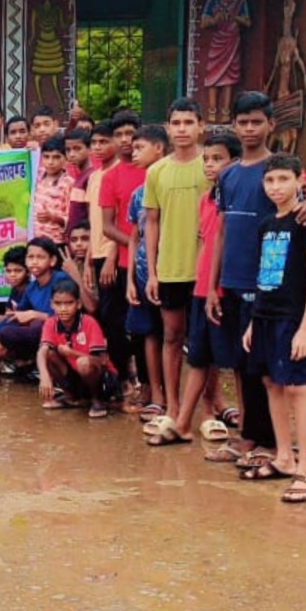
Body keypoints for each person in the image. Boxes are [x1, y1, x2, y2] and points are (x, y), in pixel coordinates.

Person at [205, 91, 306, 468]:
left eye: (257, 121)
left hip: (272, 289)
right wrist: (212, 285)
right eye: (243, 122)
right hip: (234, 280)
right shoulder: (228, 175)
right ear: (233, 126)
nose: (250, 129)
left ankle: (274, 444)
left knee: (274, 372)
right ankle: (250, 435)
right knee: (244, 365)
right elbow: (220, 231)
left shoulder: (279, 170)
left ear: (271, 124)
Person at [148, 127, 242, 447]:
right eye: (208, 159)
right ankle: (182, 421)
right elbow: (207, 244)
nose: (210, 165)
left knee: (235, 360)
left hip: (228, 288)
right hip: (203, 286)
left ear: (235, 162)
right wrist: (206, 284)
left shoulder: (240, 199)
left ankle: (235, 424)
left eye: (218, 159)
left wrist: (216, 286)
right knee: (199, 355)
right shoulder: (206, 200)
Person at [241, 153, 306, 503]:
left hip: (291, 318)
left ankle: (305, 468)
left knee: (295, 386)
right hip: (264, 315)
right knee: (271, 383)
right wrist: (253, 321)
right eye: (270, 180)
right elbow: (263, 274)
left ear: (299, 179)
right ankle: (283, 456)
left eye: (283, 179)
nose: (276, 187)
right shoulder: (266, 224)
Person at [142, 98, 208, 434]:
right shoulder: (156, 171)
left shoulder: (212, 166)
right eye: (176, 123)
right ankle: (172, 405)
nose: (182, 129)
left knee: (205, 341)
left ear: (201, 126)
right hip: (170, 267)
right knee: (171, 336)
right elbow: (151, 222)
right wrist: (152, 272)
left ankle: (209, 410)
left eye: (188, 122)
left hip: (207, 269)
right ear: (168, 128)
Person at [97, 120, 147, 404]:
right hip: (125, 260)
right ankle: (126, 373)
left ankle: (150, 385)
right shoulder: (110, 177)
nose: (125, 139)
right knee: (112, 320)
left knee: (147, 328)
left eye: (131, 133)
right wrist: (136, 246)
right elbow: (108, 226)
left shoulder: (155, 171)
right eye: (119, 134)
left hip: (158, 263)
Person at [123, 127, 166, 419]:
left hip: (172, 271)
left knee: (173, 336)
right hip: (141, 274)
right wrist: (130, 279)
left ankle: (174, 394)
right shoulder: (138, 195)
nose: (133, 152)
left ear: (159, 148)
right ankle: (156, 393)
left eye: (140, 147)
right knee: (148, 333)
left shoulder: (173, 188)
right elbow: (134, 237)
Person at [39, 278, 113, 418]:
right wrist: (44, 376)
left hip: (101, 380)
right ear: (51, 305)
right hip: (76, 376)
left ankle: (97, 400)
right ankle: (71, 397)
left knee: (83, 363)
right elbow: (42, 351)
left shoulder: (89, 322)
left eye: (69, 303)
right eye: (58, 304)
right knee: (48, 354)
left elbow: (101, 361)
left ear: (78, 304)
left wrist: (72, 353)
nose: (63, 308)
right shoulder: (51, 323)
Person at [0, 236, 68, 368]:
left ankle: (36, 364)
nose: (34, 262)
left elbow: (67, 317)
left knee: (36, 325)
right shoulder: (31, 288)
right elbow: (15, 316)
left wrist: (36, 315)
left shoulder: (61, 280)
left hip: (65, 334)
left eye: (40, 257)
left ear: (52, 260)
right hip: (44, 335)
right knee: (4, 335)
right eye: (30, 257)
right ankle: (30, 364)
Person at [32, 136, 72, 243]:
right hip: (33, 239)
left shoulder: (68, 183)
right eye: (46, 157)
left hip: (55, 241)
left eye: (56, 157)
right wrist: (32, 149)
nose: (50, 162)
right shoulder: (37, 175)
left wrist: (53, 217)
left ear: (66, 158)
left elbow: (71, 219)